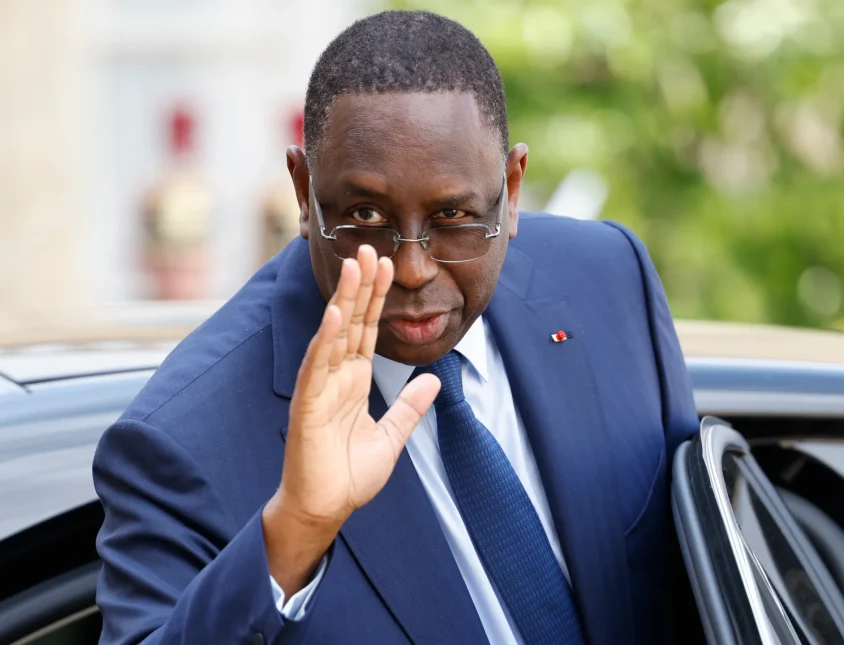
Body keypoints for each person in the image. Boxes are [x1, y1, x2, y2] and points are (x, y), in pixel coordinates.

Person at [93, 10, 699, 645]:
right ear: (303, 192)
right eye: (365, 216)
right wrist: (295, 533)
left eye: (453, 216)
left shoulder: (608, 280)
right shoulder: (179, 441)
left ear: (513, 189)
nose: (411, 269)